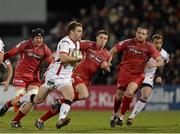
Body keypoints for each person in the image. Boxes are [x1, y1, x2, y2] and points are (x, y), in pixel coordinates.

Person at [33, 30, 112, 129]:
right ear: (96, 38)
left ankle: (41, 120)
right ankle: (59, 103)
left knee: (67, 102)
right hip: (76, 74)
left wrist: (105, 67)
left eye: (105, 39)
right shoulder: (87, 44)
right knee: (84, 94)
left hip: (87, 80)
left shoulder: (106, 54)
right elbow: (71, 45)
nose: (103, 40)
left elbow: (107, 68)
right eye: (101, 38)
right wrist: (57, 55)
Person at [17, 21, 84, 129]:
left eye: (81, 31)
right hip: (54, 75)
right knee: (39, 99)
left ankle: (60, 120)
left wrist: (76, 61)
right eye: (79, 31)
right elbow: (63, 59)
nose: (81, 33)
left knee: (70, 97)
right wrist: (77, 58)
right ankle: (22, 99)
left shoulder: (77, 43)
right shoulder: (65, 42)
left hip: (65, 77)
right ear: (71, 32)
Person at [109, 25, 164, 127]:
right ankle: (114, 114)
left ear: (146, 36)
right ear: (136, 33)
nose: (140, 35)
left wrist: (155, 64)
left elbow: (160, 60)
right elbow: (113, 50)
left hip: (138, 75)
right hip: (124, 72)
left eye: (143, 34)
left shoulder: (149, 47)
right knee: (119, 96)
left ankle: (121, 116)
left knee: (129, 92)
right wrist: (107, 61)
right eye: (139, 33)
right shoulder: (127, 42)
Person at [0, 28, 53, 128]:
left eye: (41, 38)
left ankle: (15, 121)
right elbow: (10, 53)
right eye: (37, 38)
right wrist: (2, 59)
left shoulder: (45, 49)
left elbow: (52, 62)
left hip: (34, 79)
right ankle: (7, 105)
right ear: (32, 38)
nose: (39, 40)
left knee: (33, 99)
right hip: (20, 76)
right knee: (20, 98)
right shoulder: (25, 44)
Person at [126, 34, 170, 126]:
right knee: (127, 95)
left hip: (148, 78)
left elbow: (167, 66)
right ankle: (120, 113)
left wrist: (160, 76)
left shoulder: (164, 54)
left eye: (160, 43)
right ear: (152, 43)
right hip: (137, 74)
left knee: (145, 95)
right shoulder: (145, 49)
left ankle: (131, 118)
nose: (158, 45)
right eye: (156, 43)